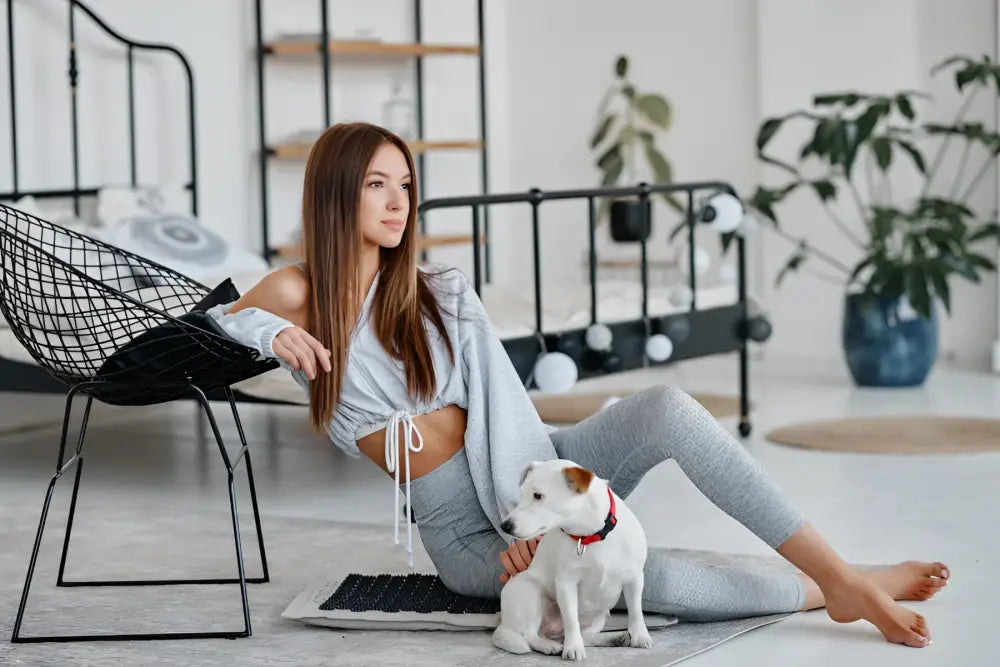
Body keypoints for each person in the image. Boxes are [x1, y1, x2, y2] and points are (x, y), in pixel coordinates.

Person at [208, 122, 947, 649]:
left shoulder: (440, 290)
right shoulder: (295, 292)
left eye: (405, 183)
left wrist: (542, 507)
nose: (399, 201)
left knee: (666, 408)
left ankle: (840, 573)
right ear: (338, 192)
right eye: (377, 184)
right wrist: (270, 332)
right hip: (470, 540)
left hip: (529, 469)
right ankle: (837, 587)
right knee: (642, 579)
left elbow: (505, 409)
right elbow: (207, 324)